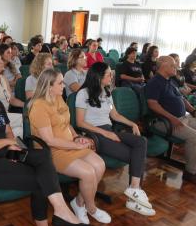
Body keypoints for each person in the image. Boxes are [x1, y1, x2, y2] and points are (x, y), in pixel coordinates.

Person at [0, 64, 90, 226]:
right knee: (42, 179)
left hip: (9, 152)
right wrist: (6, 142)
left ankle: (59, 211)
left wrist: (11, 144)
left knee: (43, 156)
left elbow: (9, 132)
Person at [28, 68, 111, 224]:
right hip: (52, 151)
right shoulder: (39, 106)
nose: (63, 85)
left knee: (100, 165)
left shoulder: (58, 97)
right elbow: (49, 140)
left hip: (70, 144)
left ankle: (79, 203)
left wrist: (77, 137)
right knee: (88, 173)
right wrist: (75, 145)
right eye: (60, 83)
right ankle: (91, 208)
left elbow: (66, 124)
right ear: (48, 86)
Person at [76, 62, 155, 216]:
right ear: (98, 77)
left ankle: (134, 188)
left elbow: (115, 115)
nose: (112, 76)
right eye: (108, 74)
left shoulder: (107, 92)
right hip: (95, 135)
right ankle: (134, 197)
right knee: (134, 155)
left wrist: (132, 124)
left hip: (109, 130)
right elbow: (80, 123)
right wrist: (105, 134)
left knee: (141, 141)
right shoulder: (83, 94)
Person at [146, 56, 196, 184]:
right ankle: (191, 172)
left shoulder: (171, 81)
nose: (176, 67)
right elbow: (152, 104)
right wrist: (172, 118)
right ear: (163, 66)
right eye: (173, 65)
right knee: (194, 137)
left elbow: (182, 99)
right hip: (164, 122)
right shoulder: (155, 82)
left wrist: (193, 111)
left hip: (183, 117)